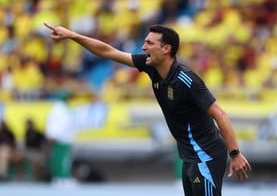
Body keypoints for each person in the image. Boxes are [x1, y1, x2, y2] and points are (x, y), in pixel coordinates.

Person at [44, 23, 251, 195]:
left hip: (205, 154)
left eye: (149, 43)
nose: (143, 47)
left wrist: (235, 153)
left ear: (166, 49)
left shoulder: (187, 80)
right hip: (189, 155)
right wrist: (72, 35)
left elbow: (219, 113)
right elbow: (108, 51)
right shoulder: (151, 66)